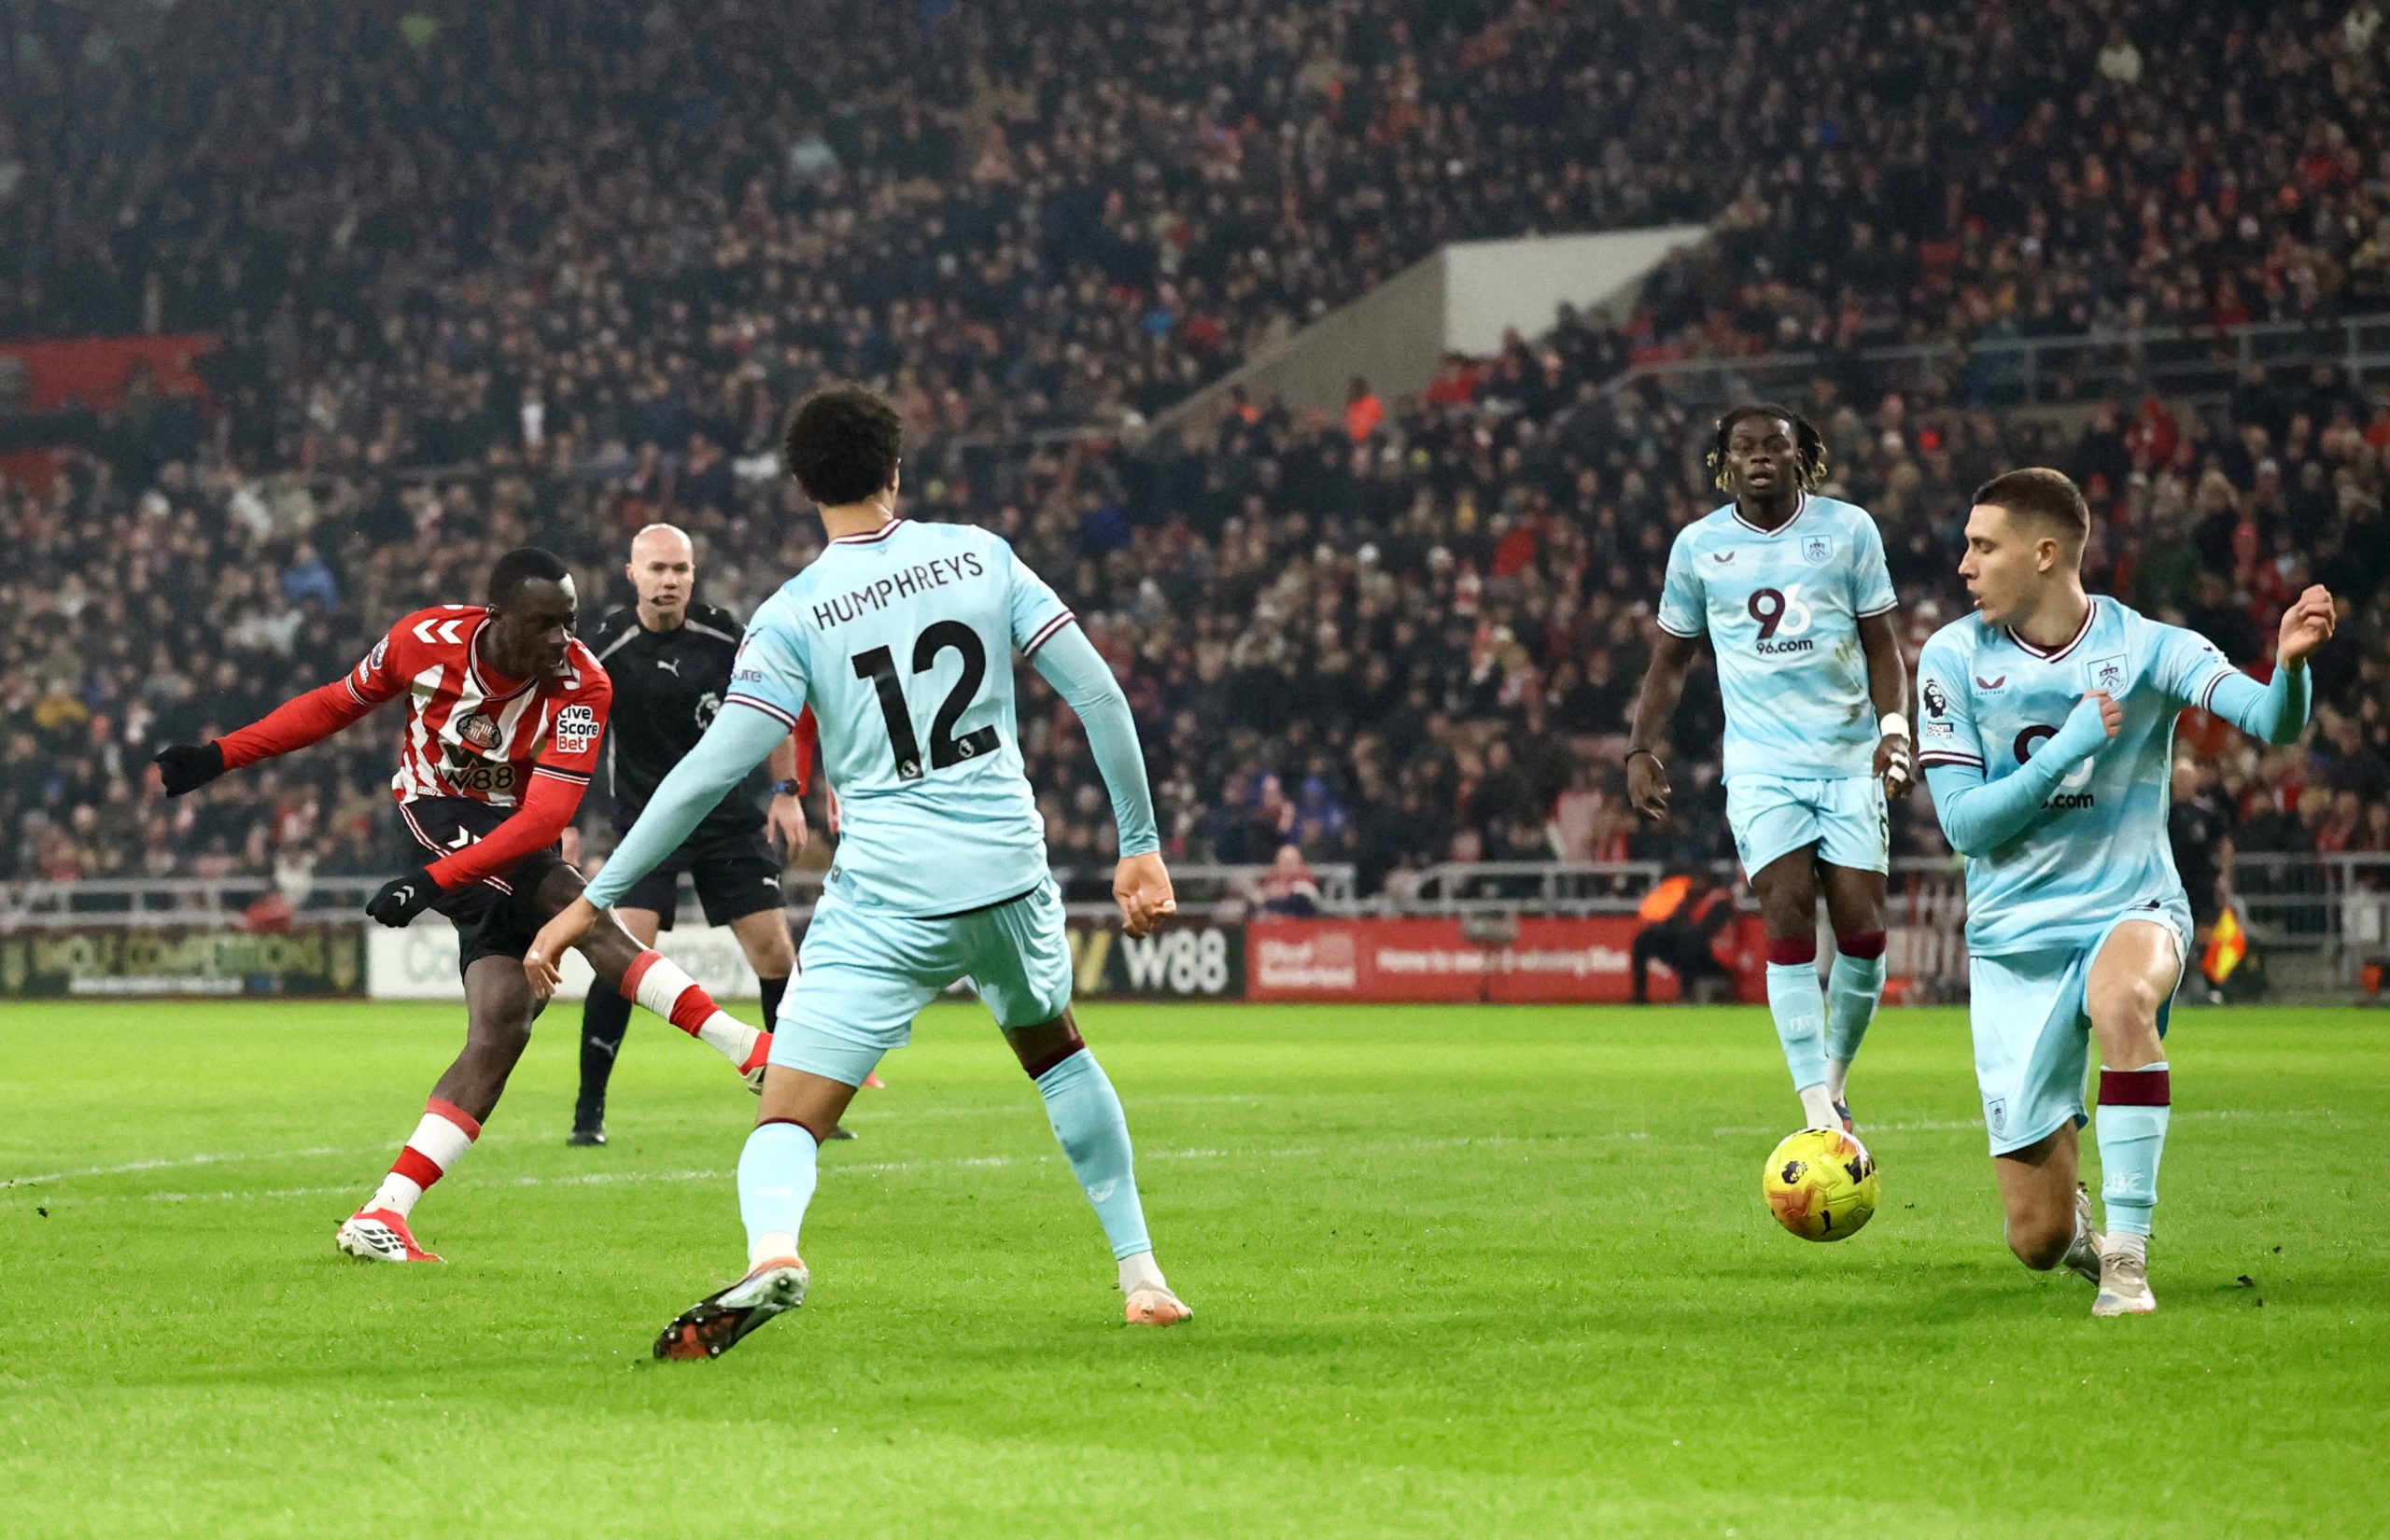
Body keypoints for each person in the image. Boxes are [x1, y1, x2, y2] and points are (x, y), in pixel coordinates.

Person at [527, 385, 1191, 1355]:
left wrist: (589, 898)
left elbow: (703, 776)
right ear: (894, 468)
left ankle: (774, 1253)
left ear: (801, 484)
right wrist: (1139, 844)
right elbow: (1097, 692)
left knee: (787, 1115)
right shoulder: (981, 555)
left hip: (887, 898)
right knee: (1056, 1053)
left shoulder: (792, 615)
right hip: (1005, 874)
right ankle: (1142, 1276)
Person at [154, 548, 770, 1265]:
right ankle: (747, 1050)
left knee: (503, 1026)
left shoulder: (584, 682)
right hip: (434, 811)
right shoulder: (424, 641)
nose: (559, 641)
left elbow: (543, 821)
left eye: (568, 623)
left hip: (508, 834)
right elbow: (332, 704)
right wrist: (221, 755)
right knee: (578, 905)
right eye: (543, 624)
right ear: (496, 616)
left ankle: (384, 1211)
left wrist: (435, 885)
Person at [1914, 468, 2330, 1316]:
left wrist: (2289, 670)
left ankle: (2129, 1260)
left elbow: (2271, 721)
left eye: (1981, 546)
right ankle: (2084, 1236)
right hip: (2013, 945)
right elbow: (1964, 826)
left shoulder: (2149, 648)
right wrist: (2066, 747)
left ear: (2045, 553)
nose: (1964, 564)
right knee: (2034, 1241)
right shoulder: (1953, 657)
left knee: (2120, 1002)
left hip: (2130, 907)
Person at [1626, 405, 1913, 1133]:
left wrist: (1894, 730)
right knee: (1785, 912)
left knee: (1862, 932)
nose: (1759, 458)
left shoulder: (1849, 530)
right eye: (1744, 448)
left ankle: (1836, 1079)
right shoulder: (1698, 546)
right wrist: (1640, 748)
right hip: (1760, 767)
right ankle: (1817, 1110)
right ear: (1724, 461)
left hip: (1849, 759)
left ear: (1800, 456)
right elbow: (1671, 659)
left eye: (1774, 447)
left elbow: (1882, 644)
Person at [572, 523, 821, 1147]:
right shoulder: (604, 647)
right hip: (647, 820)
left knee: (775, 953)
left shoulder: (724, 635)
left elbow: (778, 705)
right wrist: (572, 823)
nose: (669, 581)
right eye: (656, 569)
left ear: (693, 574)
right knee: (622, 958)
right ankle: (588, 1112)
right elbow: (571, 735)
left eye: (679, 570)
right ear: (633, 575)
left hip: (727, 818)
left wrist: (786, 792)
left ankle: (793, 1101)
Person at [1629, 871, 1738, 1004]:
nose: (1693, 884)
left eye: (1696, 880)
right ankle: (1639, 995)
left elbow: (1705, 930)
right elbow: (1677, 921)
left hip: (1716, 958)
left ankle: (1687, 994)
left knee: (1690, 942)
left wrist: (1679, 929)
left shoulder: (1721, 900)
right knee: (1644, 939)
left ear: (1708, 880)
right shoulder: (1691, 899)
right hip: (1693, 949)